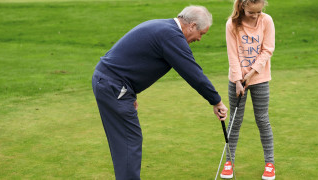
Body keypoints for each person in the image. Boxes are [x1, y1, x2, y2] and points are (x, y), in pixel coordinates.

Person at [91, 5, 228, 180]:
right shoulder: (171, 36)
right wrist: (216, 101)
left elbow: (130, 59)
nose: (200, 39)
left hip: (111, 83)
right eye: (202, 33)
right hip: (113, 85)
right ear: (192, 25)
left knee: (125, 141)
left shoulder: (164, 28)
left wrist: (130, 92)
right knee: (128, 141)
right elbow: (192, 72)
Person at [220, 0, 276, 179]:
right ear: (242, 7)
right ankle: (229, 162)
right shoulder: (232, 24)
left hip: (259, 78)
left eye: (259, 12)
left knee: (262, 119)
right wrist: (237, 80)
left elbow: (267, 50)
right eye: (252, 12)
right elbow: (232, 54)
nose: (256, 16)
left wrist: (251, 73)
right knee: (235, 122)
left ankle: (270, 164)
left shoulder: (266, 21)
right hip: (236, 80)